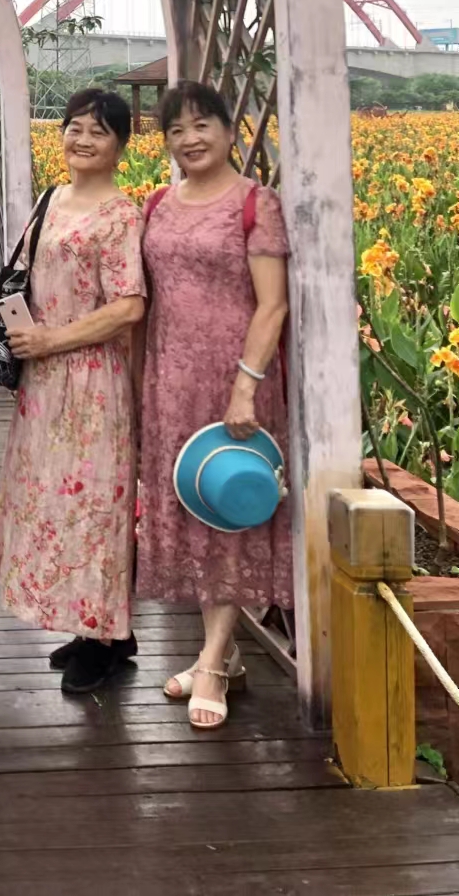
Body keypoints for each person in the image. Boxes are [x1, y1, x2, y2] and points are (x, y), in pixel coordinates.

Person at [137, 80, 291, 730]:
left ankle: (209, 665)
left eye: (202, 125)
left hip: (234, 383)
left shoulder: (255, 203)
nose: (189, 139)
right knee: (197, 512)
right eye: (176, 130)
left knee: (230, 514)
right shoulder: (156, 204)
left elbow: (272, 304)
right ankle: (221, 654)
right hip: (169, 382)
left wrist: (245, 385)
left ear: (230, 131)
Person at [0, 89, 147, 696]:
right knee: (55, 502)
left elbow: (129, 305)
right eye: (74, 127)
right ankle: (94, 627)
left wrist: (53, 340)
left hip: (92, 380)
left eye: (98, 132)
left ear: (120, 146)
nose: (82, 140)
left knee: (95, 505)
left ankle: (106, 639)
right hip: (44, 380)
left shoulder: (122, 214)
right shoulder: (52, 198)